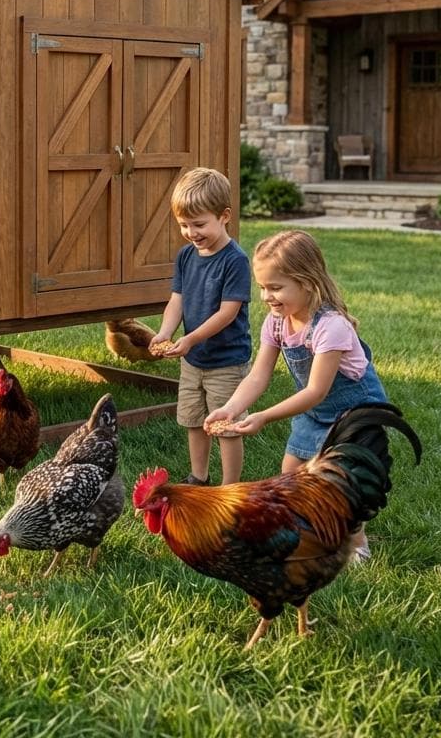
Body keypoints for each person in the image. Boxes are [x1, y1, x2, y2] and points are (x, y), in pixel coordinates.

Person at [205, 229, 389, 561]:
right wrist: (231, 408)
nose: (267, 296)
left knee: (342, 484)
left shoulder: (331, 326)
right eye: (262, 287)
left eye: (276, 287)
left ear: (307, 282)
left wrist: (263, 416)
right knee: (290, 475)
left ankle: (357, 545)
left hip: (353, 413)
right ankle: (306, 534)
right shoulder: (277, 323)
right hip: (315, 411)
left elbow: (317, 390)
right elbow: (259, 375)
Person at [150, 167, 251, 486]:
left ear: (224, 216)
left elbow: (228, 313)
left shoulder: (235, 260)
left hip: (226, 361)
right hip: (193, 360)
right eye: (184, 225)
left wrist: (191, 338)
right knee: (194, 420)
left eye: (199, 224)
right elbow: (176, 301)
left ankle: (230, 488)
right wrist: (165, 332)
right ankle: (199, 477)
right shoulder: (185, 256)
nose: (191, 232)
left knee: (225, 427)